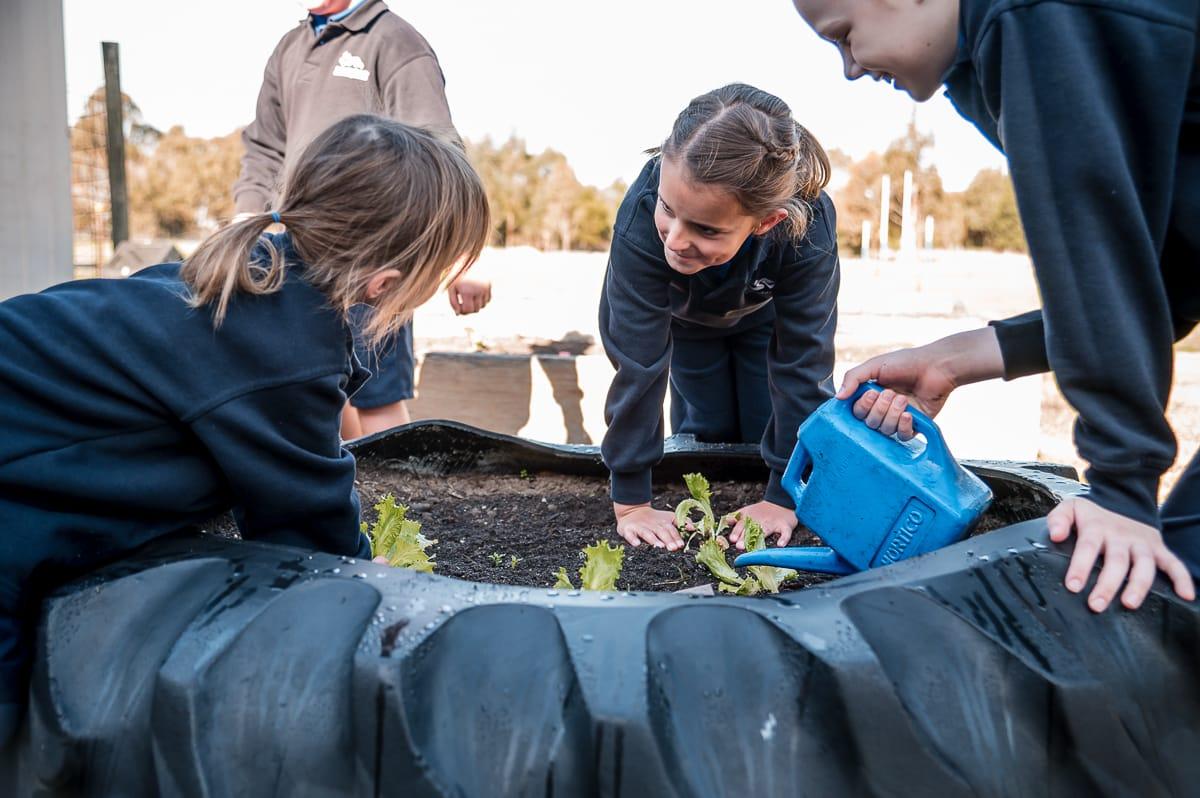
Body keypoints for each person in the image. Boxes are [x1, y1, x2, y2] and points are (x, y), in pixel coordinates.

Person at [0, 115, 490, 746]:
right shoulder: (283, 347)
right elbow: (307, 528)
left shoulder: (259, 275)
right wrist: (383, 584)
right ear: (384, 285)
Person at [790, 0, 1198, 612]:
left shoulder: (1034, 17)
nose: (850, 68)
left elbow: (1093, 248)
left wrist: (1122, 489)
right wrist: (955, 359)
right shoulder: (988, 52)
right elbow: (1169, 289)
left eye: (844, 36)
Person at [234, 0, 491, 438]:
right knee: (321, 389)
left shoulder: (394, 41)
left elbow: (439, 148)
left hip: (374, 258)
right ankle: (345, 498)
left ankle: (393, 506)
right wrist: (246, 217)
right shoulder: (290, 47)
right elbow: (264, 147)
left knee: (376, 399)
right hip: (302, 254)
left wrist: (463, 261)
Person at [600, 83, 840, 553]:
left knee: (761, 425)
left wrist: (785, 496)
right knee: (704, 432)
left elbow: (805, 363)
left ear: (766, 222)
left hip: (761, 317)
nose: (674, 239)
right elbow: (638, 362)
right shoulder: (641, 218)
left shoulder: (807, 228)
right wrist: (631, 499)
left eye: (706, 229)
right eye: (669, 211)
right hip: (683, 322)